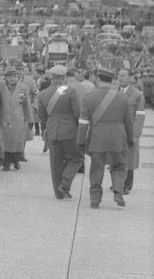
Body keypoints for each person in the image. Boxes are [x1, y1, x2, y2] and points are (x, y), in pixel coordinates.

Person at [77, 68, 133, 209]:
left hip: (97, 138)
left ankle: (95, 200)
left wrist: (80, 141)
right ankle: (118, 192)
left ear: (98, 79)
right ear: (112, 80)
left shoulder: (88, 98)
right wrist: (130, 138)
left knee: (97, 168)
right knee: (119, 166)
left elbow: (83, 123)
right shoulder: (123, 97)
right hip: (118, 137)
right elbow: (129, 121)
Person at [38, 64, 83, 199]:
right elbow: (77, 112)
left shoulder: (43, 93)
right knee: (76, 158)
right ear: (64, 76)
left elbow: (42, 116)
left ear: (51, 77)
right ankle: (65, 183)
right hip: (69, 130)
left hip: (52, 130)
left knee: (55, 162)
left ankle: (59, 193)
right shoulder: (71, 91)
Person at [116, 69, 145, 195]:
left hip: (129, 131)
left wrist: (136, 135)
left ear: (131, 78)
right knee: (116, 157)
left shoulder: (137, 95)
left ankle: (126, 185)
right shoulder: (114, 91)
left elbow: (140, 116)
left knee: (129, 158)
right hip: (116, 130)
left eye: (123, 76)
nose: (120, 78)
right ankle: (117, 182)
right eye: (119, 75)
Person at [1, 66, 33, 171]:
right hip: (5, 118)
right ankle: (6, 164)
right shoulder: (1, 86)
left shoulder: (23, 88)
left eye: (14, 76)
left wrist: (30, 119)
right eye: (10, 76)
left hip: (18, 118)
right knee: (5, 141)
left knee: (17, 141)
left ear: (17, 77)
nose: (12, 78)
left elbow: (27, 104)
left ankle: (16, 161)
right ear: (5, 77)